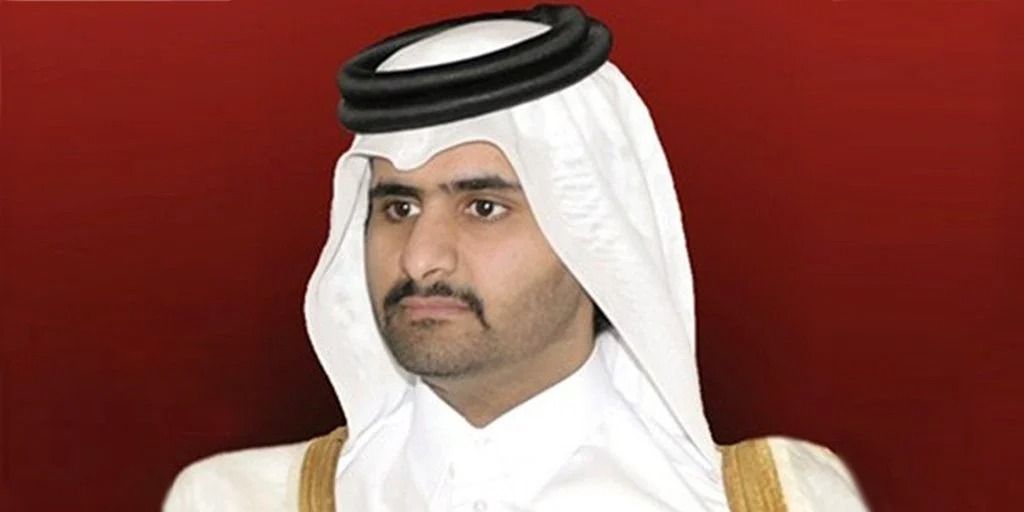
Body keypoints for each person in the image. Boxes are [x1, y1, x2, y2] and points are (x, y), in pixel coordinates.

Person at [164, 5, 868, 511]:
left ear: (593, 231)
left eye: (483, 207)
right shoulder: (240, 500)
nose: (421, 258)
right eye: (398, 208)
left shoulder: (775, 499)